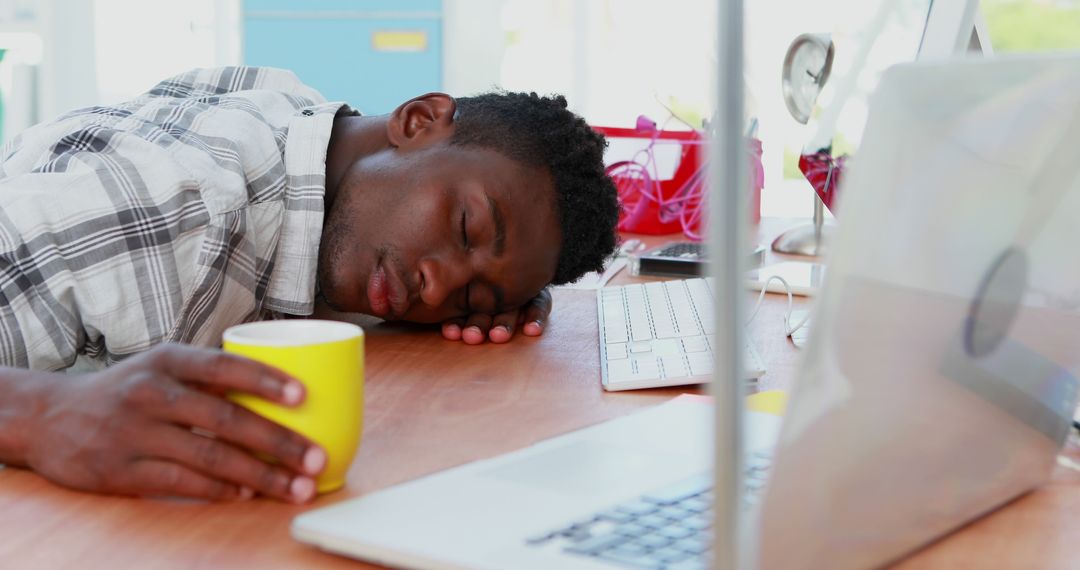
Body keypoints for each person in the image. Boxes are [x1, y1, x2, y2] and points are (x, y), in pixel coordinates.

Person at [0, 67, 619, 504]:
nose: (437, 289)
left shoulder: (303, 125)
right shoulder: (173, 215)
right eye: (465, 227)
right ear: (419, 119)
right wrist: (41, 413)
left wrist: (498, 298)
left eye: (471, 296)